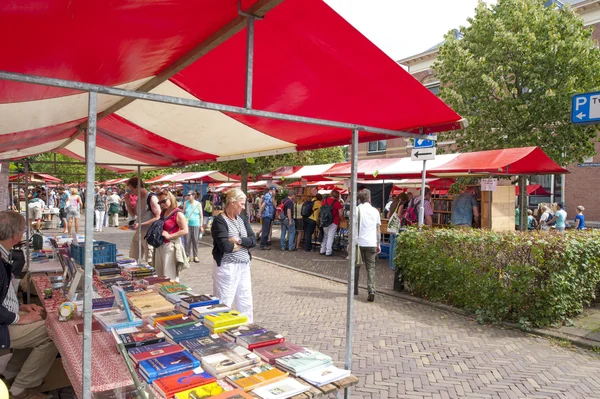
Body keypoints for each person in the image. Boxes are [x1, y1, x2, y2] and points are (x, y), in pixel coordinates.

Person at [0, 211, 58, 399]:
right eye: (23, 231)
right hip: (3, 326)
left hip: (6, 319)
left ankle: (10, 375)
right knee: (52, 332)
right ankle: (20, 390)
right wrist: (19, 318)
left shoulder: (4, 253)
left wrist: (22, 308)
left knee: (37, 325)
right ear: (15, 236)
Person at [211, 189, 257, 323]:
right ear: (232, 203)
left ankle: (247, 328)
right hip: (227, 266)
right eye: (241, 204)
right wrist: (243, 242)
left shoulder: (242, 218)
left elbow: (253, 240)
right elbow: (225, 247)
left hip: (244, 265)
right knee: (224, 301)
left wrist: (238, 241)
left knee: (245, 301)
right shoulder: (219, 221)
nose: (243, 208)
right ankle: (221, 331)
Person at [153, 190, 189, 281]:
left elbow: (185, 230)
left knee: (169, 275)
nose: (162, 204)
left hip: (170, 246)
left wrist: (170, 236)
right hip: (160, 245)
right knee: (160, 274)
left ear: (170, 198)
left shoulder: (178, 213)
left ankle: (171, 293)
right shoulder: (163, 212)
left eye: (164, 201)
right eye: (159, 202)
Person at [125, 178, 160, 263]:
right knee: (133, 256)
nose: (130, 192)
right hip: (139, 231)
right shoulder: (138, 198)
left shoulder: (151, 198)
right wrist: (127, 201)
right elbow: (133, 214)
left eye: (131, 189)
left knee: (150, 260)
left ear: (138, 187)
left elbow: (158, 217)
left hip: (149, 233)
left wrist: (141, 224)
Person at [355, 189, 381, 302]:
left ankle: (354, 288)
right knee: (371, 267)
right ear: (369, 198)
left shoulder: (356, 210)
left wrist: (350, 243)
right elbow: (378, 229)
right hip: (371, 242)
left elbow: (352, 228)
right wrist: (378, 243)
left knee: (356, 266)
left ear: (359, 199)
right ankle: (371, 290)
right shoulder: (375, 211)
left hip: (359, 242)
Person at [386, 192, 409, 271]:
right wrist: (403, 215)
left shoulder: (392, 203)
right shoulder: (401, 204)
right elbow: (399, 215)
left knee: (391, 245)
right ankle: (393, 265)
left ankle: (390, 264)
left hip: (391, 227)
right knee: (395, 246)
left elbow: (388, 215)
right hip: (396, 228)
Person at [319, 190, 343, 256]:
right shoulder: (337, 202)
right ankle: (328, 251)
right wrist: (341, 218)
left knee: (325, 236)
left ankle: (322, 250)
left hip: (324, 221)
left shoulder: (324, 201)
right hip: (333, 221)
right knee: (330, 236)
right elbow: (340, 213)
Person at [183, 191, 203, 263]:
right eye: (187, 195)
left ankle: (195, 256)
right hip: (187, 224)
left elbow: (201, 215)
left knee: (195, 240)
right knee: (187, 241)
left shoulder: (198, 204)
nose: (188, 196)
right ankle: (187, 255)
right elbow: (183, 213)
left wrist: (201, 225)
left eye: (189, 195)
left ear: (193, 196)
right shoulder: (186, 203)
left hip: (196, 224)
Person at [258, 186, 277, 250]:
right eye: (275, 191)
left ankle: (264, 244)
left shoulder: (271, 196)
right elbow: (263, 205)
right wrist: (260, 213)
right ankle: (262, 245)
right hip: (266, 215)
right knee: (265, 231)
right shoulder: (268, 196)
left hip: (269, 215)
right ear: (272, 190)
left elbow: (274, 205)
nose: (276, 192)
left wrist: (274, 197)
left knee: (267, 230)